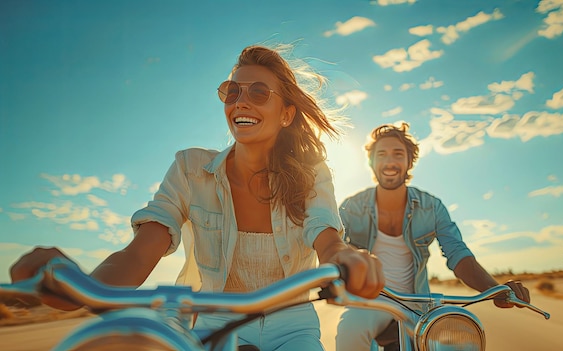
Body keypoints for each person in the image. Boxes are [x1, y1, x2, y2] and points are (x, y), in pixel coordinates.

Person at [9, 44, 385, 351]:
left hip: (293, 327)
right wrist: (79, 285)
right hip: (215, 321)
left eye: (258, 92)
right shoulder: (190, 168)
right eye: (232, 91)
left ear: (286, 114)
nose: (241, 101)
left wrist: (347, 257)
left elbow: (327, 238)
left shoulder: (311, 170)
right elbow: (141, 252)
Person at [335, 121, 531, 351]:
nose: (389, 161)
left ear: (409, 162)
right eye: (382, 154)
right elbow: (335, 249)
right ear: (371, 162)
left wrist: (494, 289)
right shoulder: (351, 208)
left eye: (398, 154)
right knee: (349, 330)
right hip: (368, 302)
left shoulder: (432, 207)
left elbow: (458, 255)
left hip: (417, 305)